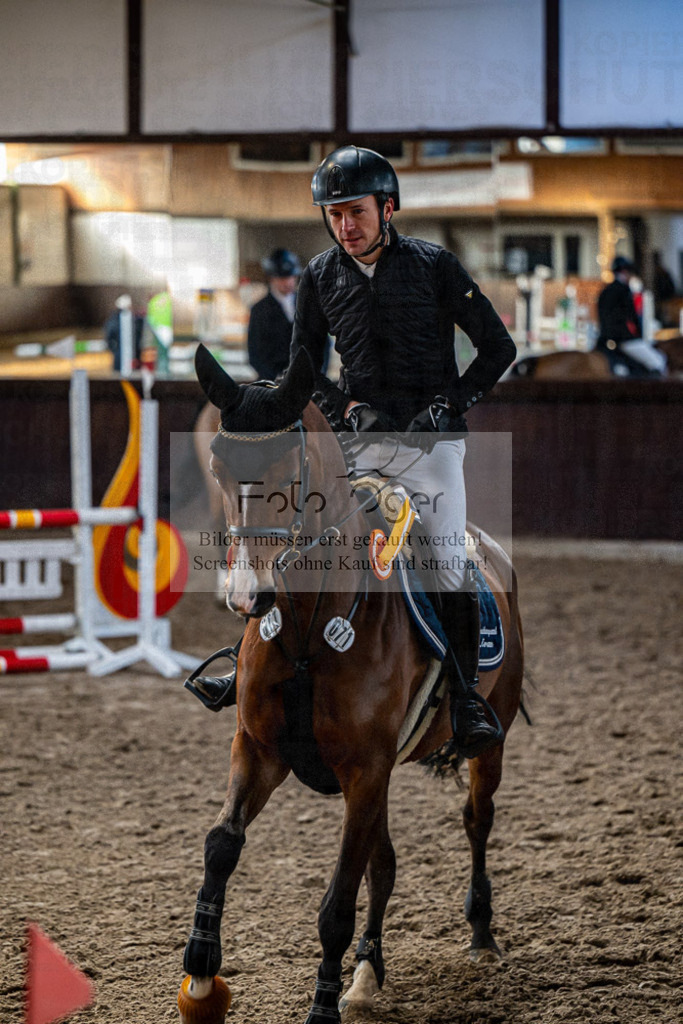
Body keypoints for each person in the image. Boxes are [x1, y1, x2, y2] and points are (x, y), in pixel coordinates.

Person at [188, 145, 516, 761]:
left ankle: (468, 697)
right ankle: (245, 664)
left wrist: (450, 404)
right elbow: (300, 371)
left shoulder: (435, 266)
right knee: (300, 537)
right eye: (334, 214)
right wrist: (344, 410)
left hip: (431, 447)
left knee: (445, 557)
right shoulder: (319, 276)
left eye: (355, 211)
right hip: (358, 444)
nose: (345, 225)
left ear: (387, 208)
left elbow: (498, 349)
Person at [596, 256, 666, 377]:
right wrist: (637, 335)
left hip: (607, 339)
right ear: (624, 272)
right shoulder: (623, 290)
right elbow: (631, 317)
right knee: (658, 362)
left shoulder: (606, 291)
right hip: (623, 339)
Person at [246, 248, 301, 380]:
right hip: (272, 384)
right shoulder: (259, 310)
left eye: (291, 277)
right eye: (282, 278)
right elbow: (255, 355)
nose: (288, 282)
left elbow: (323, 346)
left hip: (308, 383)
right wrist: (276, 381)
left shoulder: (309, 304)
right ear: (272, 279)